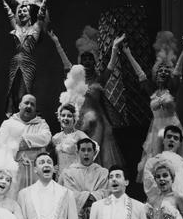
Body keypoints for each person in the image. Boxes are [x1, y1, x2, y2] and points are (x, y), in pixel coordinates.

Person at [121, 31, 183, 184]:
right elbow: (139, 72)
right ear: (155, 74)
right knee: (156, 162)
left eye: (166, 70)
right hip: (157, 129)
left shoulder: (172, 89)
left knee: (175, 161)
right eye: (160, 70)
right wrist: (128, 53)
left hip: (172, 127)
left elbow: (178, 68)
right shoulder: (151, 90)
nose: (163, 72)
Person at [49, 28, 126, 168]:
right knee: (77, 155)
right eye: (84, 59)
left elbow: (110, 66)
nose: (87, 61)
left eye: (90, 59)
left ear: (94, 62)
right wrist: (56, 42)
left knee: (93, 153)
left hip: (96, 123)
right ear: (80, 61)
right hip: (78, 123)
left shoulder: (99, 80)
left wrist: (114, 48)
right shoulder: (75, 78)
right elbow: (66, 63)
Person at [0, 0, 59, 115]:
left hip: (28, 62)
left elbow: (42, 10)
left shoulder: (36, 27)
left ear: (29, 14)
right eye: (20, 11)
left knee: (23, 93)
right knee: (11, 93)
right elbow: (7, 10)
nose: (22, 12)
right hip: (15, 61)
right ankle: (14, 117)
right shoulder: (16, 27)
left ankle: (27, 115)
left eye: (25, 10)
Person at [0, 94, 52, 196]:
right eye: (26, 103)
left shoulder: (41, 124)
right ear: (20, 105)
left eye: (32, 104)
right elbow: (0, 145)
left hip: (35, 174)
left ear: (35, 109)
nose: (29, 106)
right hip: (15, 173)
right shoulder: (8, 123)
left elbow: (46, 138)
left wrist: (23, 141)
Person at [142, 125, 183, 202]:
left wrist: (176, 201)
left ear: (179, 143)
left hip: (177, 204)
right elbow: (148, 184)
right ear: (163, 140)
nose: (172, 140)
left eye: (176, 138)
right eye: (169, 137)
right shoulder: (152, 162)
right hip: (157, 202)